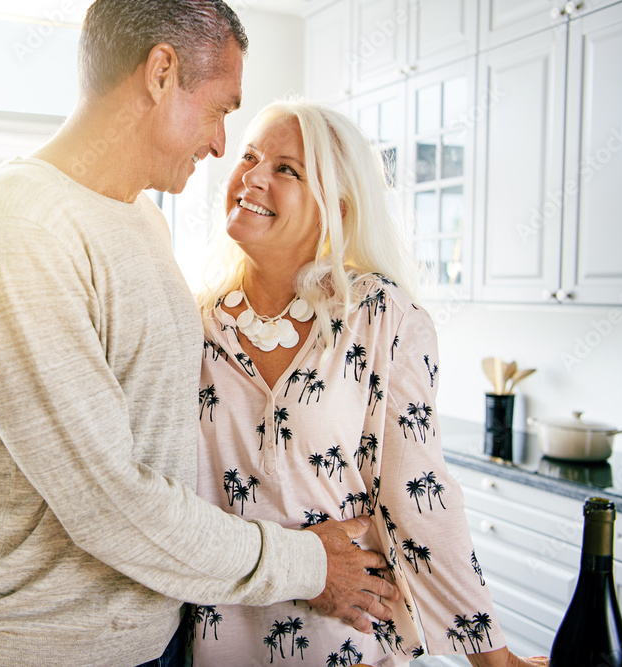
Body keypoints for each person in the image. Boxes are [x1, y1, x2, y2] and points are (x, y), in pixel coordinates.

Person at [0, 3, 400, 666]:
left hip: (159, 632)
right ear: (160, 72)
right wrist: (310, 563)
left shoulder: (142, 218)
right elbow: (107, 502)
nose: (218, 145)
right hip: (51, 649)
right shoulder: (17, 226)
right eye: (220, 110)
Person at [191, 99, 549, 666]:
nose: (253, 177)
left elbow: (420, 496)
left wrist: (493, 658)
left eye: (287, 169)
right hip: (219, 645)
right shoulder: (191, 323)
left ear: (335, 206)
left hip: (350, 641)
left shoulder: (383, 319)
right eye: (250, 156)